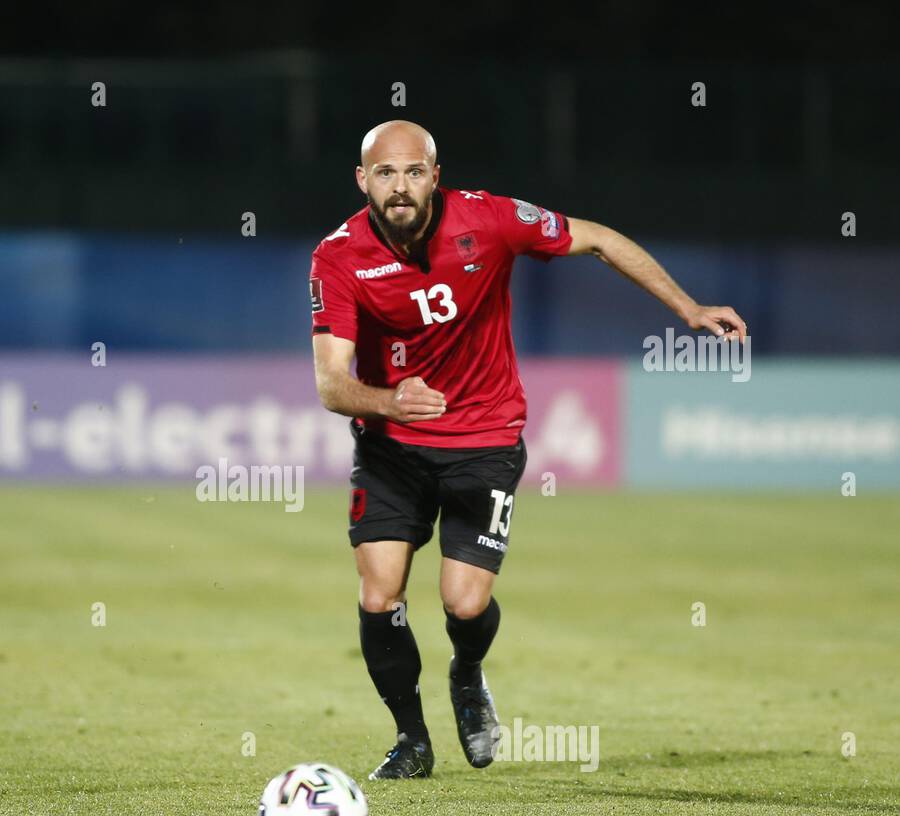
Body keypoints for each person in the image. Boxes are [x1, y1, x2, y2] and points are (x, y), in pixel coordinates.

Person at [310, 120, 747, 779]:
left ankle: (468, 671)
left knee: (464, 602)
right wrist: (390, 401)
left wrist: (686, 309)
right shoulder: (338, 256)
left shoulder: (489, 219)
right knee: (379, 595)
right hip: (392, 445)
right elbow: (331, 383)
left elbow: (596, 239)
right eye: (384, 173)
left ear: (435, 174)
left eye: (413, 172)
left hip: (483, 439)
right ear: (361, 180)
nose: (400, 187)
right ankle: (411, 740)